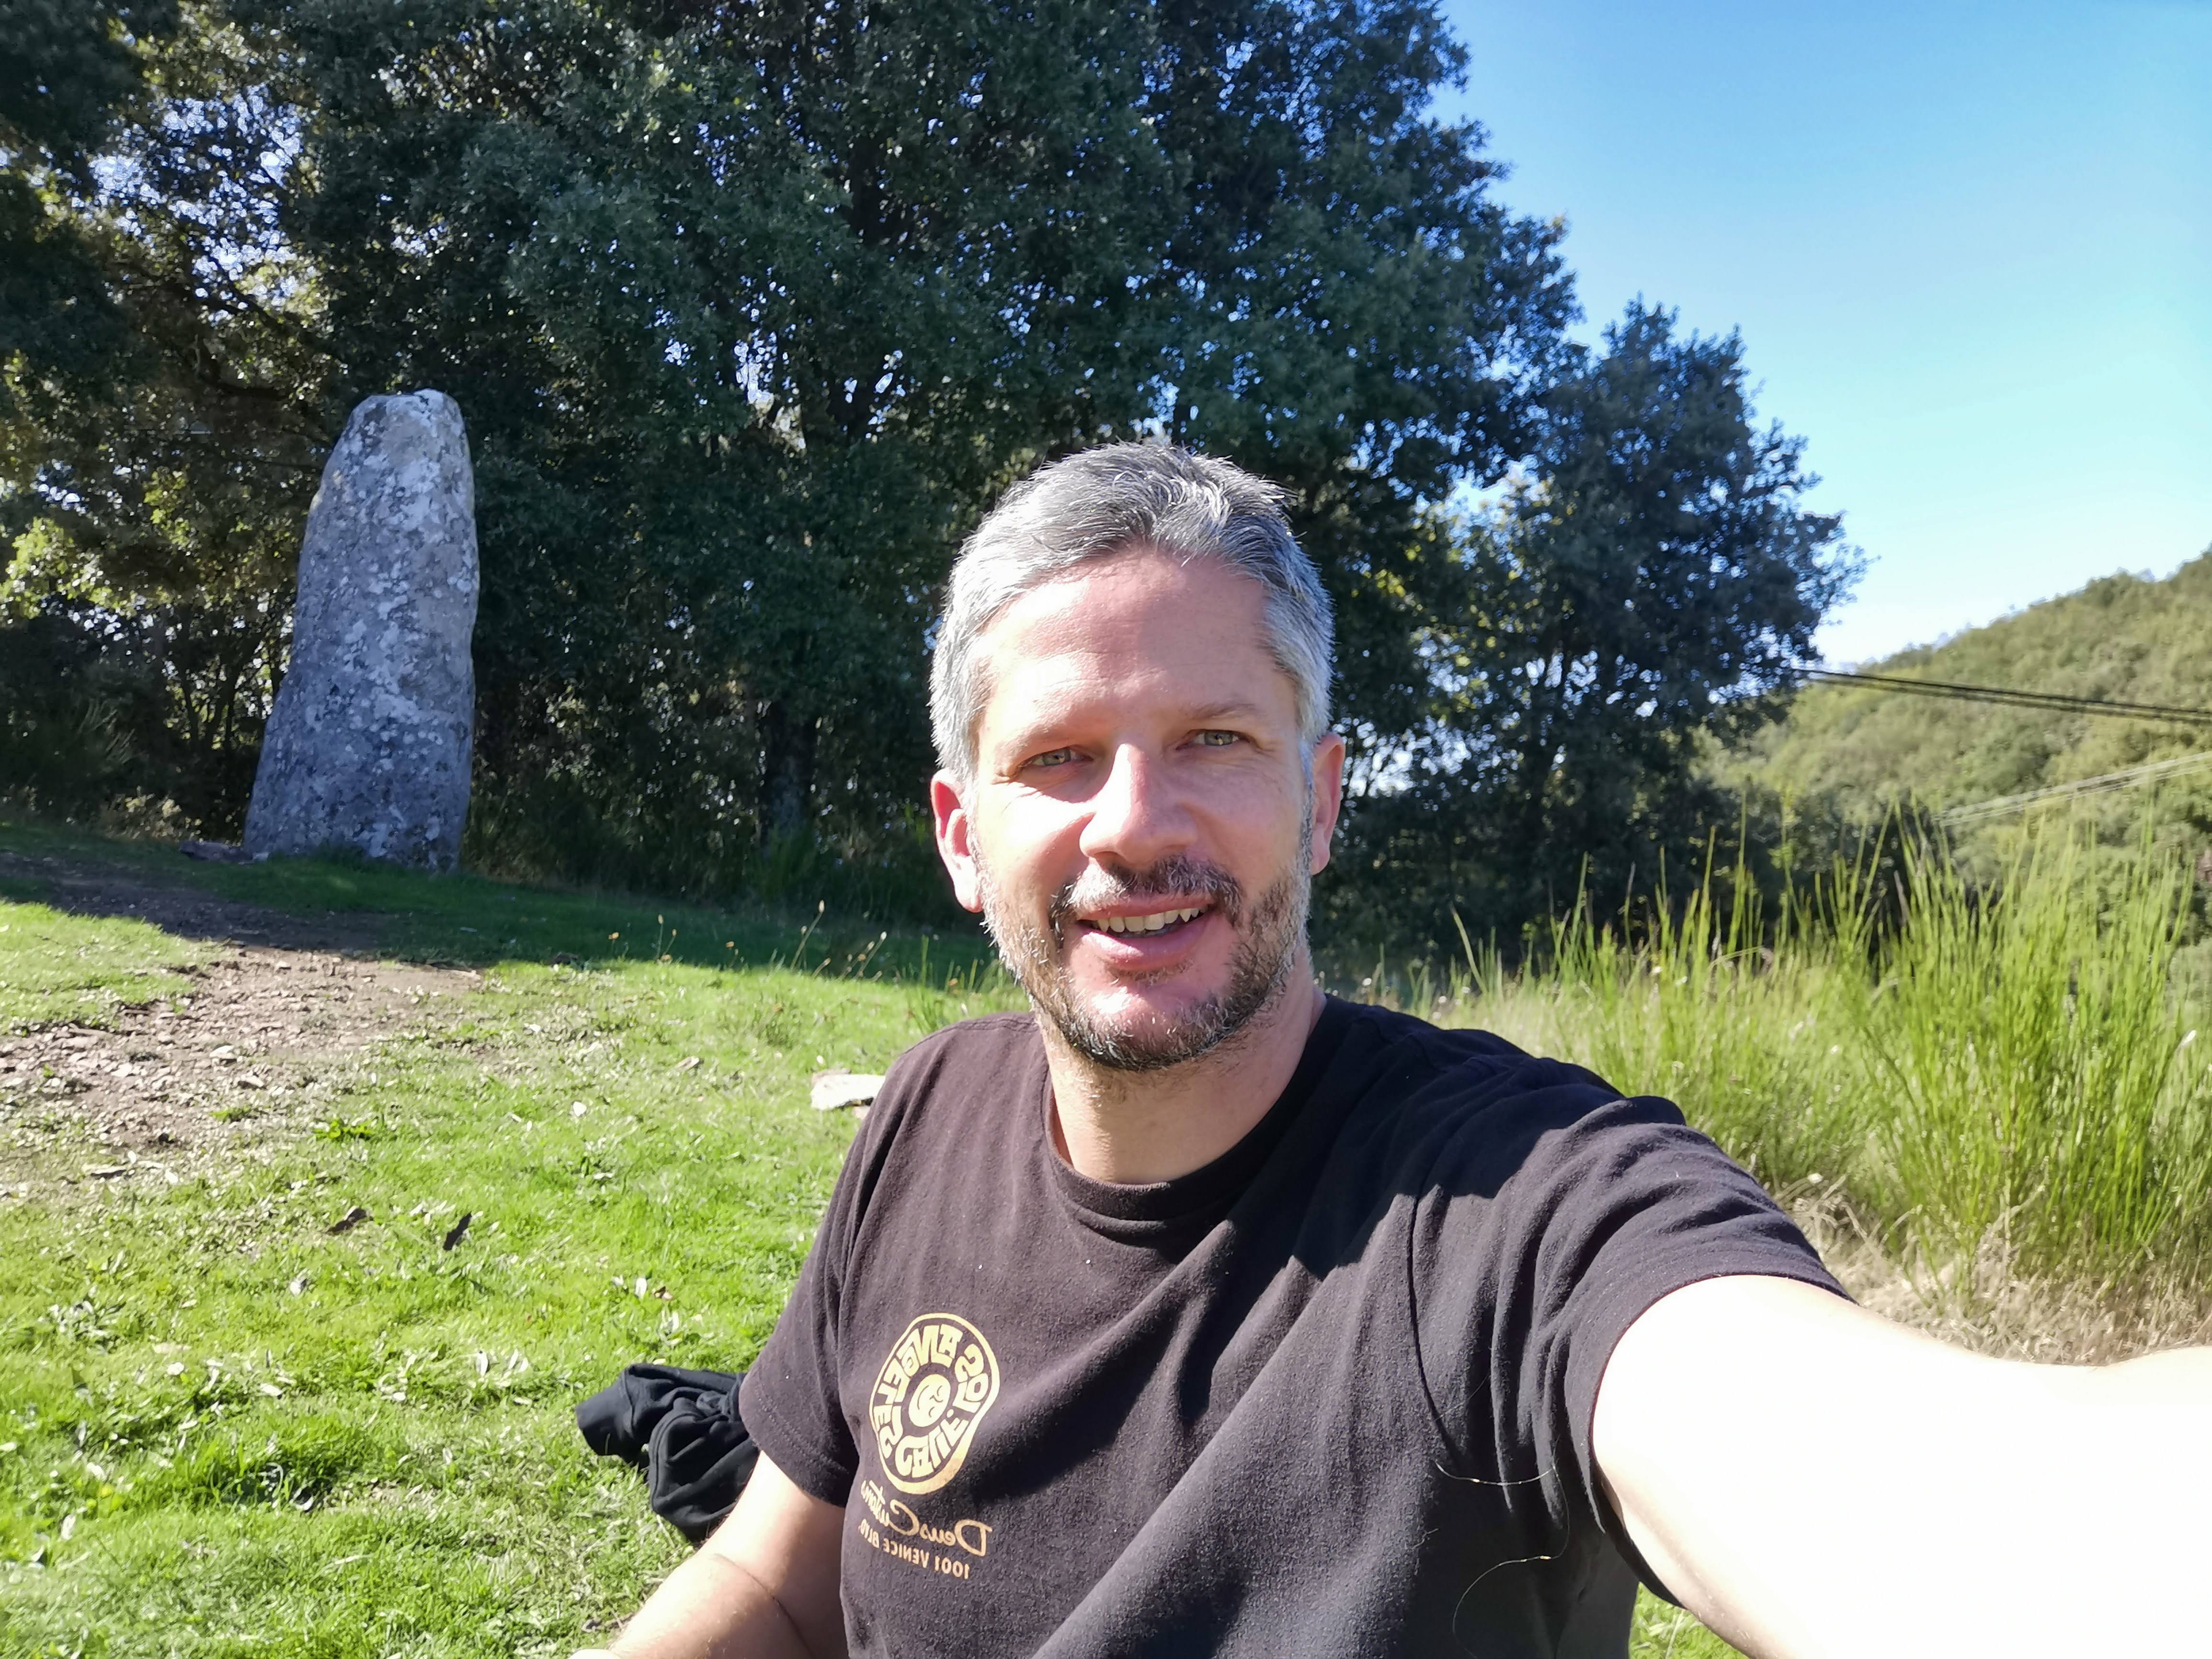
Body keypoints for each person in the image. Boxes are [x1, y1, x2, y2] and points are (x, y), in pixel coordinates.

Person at [590, 445, 2211, 1659]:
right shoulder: (929, 1109)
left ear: (1319, 798)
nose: (1133, 824)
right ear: (962, 834)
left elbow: (1933, 1495)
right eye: (1060, 758)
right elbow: (773, 1582)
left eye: (1213, 740)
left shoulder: (1516, 1214)